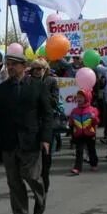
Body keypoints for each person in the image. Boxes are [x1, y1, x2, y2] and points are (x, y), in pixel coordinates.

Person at [0, 52, 52, 214]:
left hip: (31, 139)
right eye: (8, 64)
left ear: (24, 67)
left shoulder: (37, 86)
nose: (10, 67)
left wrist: (46, 138)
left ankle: (40, 197)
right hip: (9, 141)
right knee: (14, 180)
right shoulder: (1, 90)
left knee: (31, 176)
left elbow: (47, 114)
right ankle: (20, 213)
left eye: (14, 64)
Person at [28, 58, 60, 192]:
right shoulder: (28, 82)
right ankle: (36, 181)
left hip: (46, 122)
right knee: (33, 156)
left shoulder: (51, 81)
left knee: (46, 156)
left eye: (40, 68)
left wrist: (43, 93)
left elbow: (55, 101)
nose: (37, 71)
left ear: (45, 69)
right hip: (32, 123)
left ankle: (45, 183)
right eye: (34, 69)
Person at [68, 89, 100, 175]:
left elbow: (97, 122)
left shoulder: (93, 110)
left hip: (90, 134)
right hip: (78, 134)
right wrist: (71, 122)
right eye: (78, 97)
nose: (79, 99)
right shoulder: (74, 110)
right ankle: (77, 168)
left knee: (91, 150)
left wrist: (94, 118)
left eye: (81, 97)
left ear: (87, 98)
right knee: (79, 151)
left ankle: (94, 164)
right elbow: (71, 123)